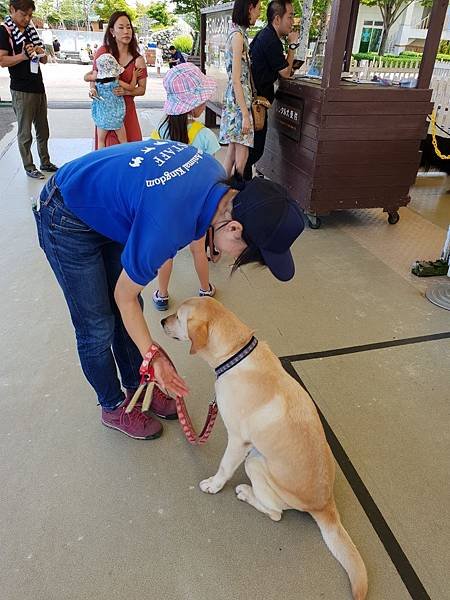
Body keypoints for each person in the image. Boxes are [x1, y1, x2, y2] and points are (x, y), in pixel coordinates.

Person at [32, 141, 304, 440]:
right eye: (241, 253)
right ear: (234, 229)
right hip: (66, 213)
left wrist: (148, 357)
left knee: (129, 305)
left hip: (106, 205)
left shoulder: (215, 180)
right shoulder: (167, 223)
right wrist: (153, 356)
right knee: (97, 325)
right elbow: (123, 297)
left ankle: (138, 385)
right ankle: (112, 405)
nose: (230, 257)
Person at [149, 62, 220, 311]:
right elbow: (213, 176)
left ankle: (161, 294)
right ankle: (204, 289)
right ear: (193, 103)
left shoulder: (160, 129)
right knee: (198, 250)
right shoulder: (205, 135)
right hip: (195, 207)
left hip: (166, 205)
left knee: (166, 253)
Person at [0, 0, 58, 179]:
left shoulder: (31, 32)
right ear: (12, 10)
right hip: (21, 89)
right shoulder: (5, 31)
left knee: (43, 129)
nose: (27, 18)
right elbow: (2, 61)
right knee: (25, 132)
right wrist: (23, 56)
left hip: (38, 86)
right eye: (23, 14)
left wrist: (41, 53)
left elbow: (45, 60)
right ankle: (29, 166)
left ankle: (45, 161)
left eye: (30, 15)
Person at [243, 0, 299, 180]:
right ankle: (241, 188)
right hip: (256, 104)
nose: (292, 21)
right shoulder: (271, 40)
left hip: (254, 101)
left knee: (248, 150)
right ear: (277, 19)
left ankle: (241, 185)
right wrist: (292, 46)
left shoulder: (265, 35)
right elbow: (286, 73)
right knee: (254, 151)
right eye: (290, 17)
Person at [86, 11, 147, 148]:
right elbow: (94, 76)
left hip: (127, 114)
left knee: (130, 156)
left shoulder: (138, 60)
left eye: (129, 27)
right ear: (112, 31)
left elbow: (142, 90)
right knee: (105, 155)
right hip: (105, 113)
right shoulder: (102, 52)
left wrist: (126, 92)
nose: (126, 31)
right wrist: (92, 89)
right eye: (121, 27)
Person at [219, 0, 261, 177]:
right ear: (249, 8)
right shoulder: (238, 36)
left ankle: (220, 192)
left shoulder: (236, 33)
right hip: (239, 100)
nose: (258, 14)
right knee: (241, 153)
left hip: (235, 98)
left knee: (232, 149)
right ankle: (235, 193)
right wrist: (245, 114)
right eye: (258, 9)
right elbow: (236, 79)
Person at [87, 53, 138, 148]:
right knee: (123, 142)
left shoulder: (97, 83)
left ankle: (101, 160)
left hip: (102, 117)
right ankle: (125, 158)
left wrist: (93, 76)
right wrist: (134, 75)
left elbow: (88, 79)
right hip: (116, 118)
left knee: (101, 141)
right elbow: (131, 87)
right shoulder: (116, 82)